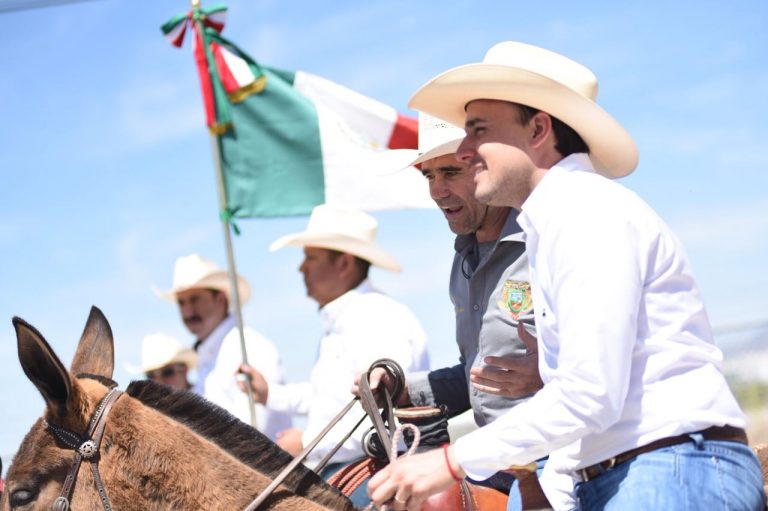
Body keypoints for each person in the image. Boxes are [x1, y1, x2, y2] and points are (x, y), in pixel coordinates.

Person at [367, 41, 766, 511]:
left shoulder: (584, 214)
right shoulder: (562, 220)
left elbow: (589, 394)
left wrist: (450, 462)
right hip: (632, 470)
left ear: (539, 129)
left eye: (477, 131)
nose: (469, 149)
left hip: (663, 468)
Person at [353, 112, 553, 509]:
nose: (437, 191)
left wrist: (546, 375)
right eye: (429, 176)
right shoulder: (462, 264)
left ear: (483, 168)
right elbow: (477, 375)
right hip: (498, 461)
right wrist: (401, 387)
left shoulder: (543, 240)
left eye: (449, 171)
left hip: (557, 458)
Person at [237, 203, 429, 506]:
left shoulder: (376, 317)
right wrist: (271, 395)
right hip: (346, 467)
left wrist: (305, 443)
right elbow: (328, 397)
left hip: (370, 470)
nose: (302, 268)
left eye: (310, 257)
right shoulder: (353, 317)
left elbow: (380, 418)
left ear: (344, 264)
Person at [155, 253, 292, 440]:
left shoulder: (248, 346)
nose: (188, 311)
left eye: (195, 299)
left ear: (220, 300)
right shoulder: (210, 358)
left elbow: (253, 431)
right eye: (182, 302)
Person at [125, 332, 197, 390]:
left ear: (185, 369)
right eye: (150, 376)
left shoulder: (206, 394)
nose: (158, 382)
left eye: (167, 372)